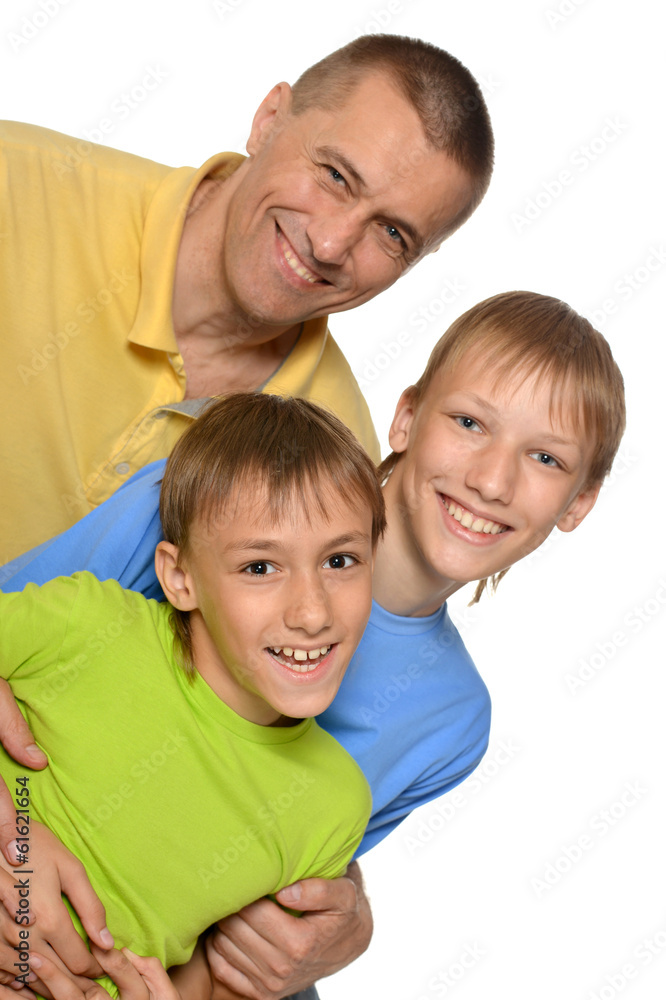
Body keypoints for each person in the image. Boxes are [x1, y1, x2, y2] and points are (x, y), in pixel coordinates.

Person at [0, 292, 626, 1000]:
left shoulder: (453, 722)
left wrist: (350, 926)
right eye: (469, 422)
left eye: (545, 458)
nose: (491, 479)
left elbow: (250, 912)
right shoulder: (214, 496)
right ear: (407, 417)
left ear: (579, 502)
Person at [0, 33, 493, 564]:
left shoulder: (338, 454)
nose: (329, 244)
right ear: (269, 119)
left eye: (392, 233)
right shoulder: (18, 185)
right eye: (334, 176)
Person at [0, 391, 387, 999]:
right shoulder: (87, 623)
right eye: (261, 567)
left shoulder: (332, 810)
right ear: (180, 578)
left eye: (341, 560)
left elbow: (221, 978)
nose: (313, 612)